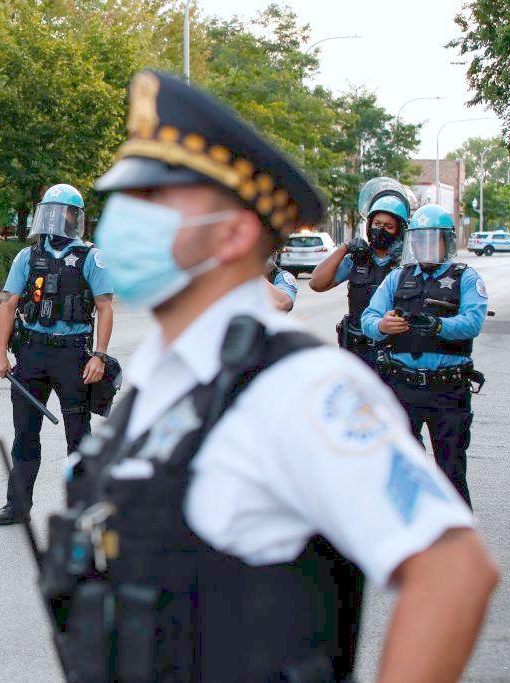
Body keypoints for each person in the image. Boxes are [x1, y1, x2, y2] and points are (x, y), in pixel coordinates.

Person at [38, 70, 496, 682]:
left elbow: (454, 572)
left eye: (155, 202)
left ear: (232, 233)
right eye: (125, 200)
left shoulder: (297, 387)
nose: (123, 219)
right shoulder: (164, 372)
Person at [0, 184, 114, 525]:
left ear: (75, 217)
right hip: (31, 353)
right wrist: (0, 352)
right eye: (51, 212)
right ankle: (17, 507)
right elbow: (9, 304)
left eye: (64, 213)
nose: (57, 219)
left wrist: (99, 356)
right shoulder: (27, 256)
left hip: (73, 356)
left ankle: (83, 507)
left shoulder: (91, 257)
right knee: (24, 434)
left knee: (78, 435)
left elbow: (105, 307)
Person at [361, 204, 487, 507]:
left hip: (447, 390)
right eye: (420, 239)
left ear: (447, 242)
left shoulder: (465, 278)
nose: (426, 246)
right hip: (403, 387)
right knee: (404, 471)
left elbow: (473, 321)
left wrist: (439, 325)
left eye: (433, 239)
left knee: (450, 472)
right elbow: (369, 318)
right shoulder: (397, 278)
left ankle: (457, 547)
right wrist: (383, 325)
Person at [311, 190, 409, 368]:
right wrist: (345, 248)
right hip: (357, 350)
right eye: (377, 224)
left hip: (394, 351)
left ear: (399, 230)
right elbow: (316, 283)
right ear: (369, 225)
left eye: (388, 227)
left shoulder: (408, 264)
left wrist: (404, 258)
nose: (380, 230)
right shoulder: (357, 259)